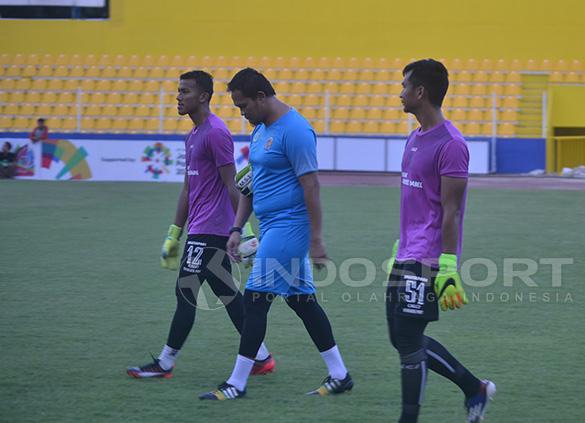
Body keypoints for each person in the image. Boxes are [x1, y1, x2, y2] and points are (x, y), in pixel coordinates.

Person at [198, 68, 352, 401]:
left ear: (261, 97)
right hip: (270, 227)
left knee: (254, 300)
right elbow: (250, 185)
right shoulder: (261, 129)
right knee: (302, 301)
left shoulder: (296, 130)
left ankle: (237, 383)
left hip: (290, 226)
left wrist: (316, 238)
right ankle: (340, 374)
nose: (242, 113)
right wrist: (237, 227)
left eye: (244, 106)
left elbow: (311, 186)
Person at [127, 70, 275, 379]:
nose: (178, 96)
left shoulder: (216, 132)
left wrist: (244, 231)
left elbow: (233, 185)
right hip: (199, 229)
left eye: (185, 91)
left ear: (204, 96)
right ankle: (261, 356)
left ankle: (165, 362)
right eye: (178, 91)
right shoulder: (193, 136)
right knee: (229, 295)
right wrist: (173, 234)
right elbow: (187, 189)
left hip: (213, 230)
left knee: (186, 294)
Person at [386, 59, 494, 423]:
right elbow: (414, 203)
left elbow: (452, 211)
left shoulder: (452, 145)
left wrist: (447, 265)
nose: (400, 93)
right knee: (401, 340)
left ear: (421, 92)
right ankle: (473, 388)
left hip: (429, 257)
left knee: (409, 345)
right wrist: (397, 248)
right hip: (406, 252)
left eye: (405, 86)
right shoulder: (414, 138)